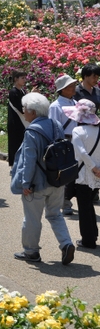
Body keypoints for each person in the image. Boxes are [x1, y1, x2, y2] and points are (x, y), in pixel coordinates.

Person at [10, 92, 75, 265]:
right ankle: (66, 243)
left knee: (32, 218)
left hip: (37, 183)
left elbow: (29, 160)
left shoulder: (32, 131)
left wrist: (25, 183)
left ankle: (31, 252)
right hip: (57, 180)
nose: (23, 112)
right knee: (55, 215)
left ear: (32, 111)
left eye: (24, 109)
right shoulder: (56, 124)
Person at [65, 99, 100, 249]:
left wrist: (93, 167)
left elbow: (82, 153)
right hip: (98, 174)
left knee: (84, 207)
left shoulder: (77, 131)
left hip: (84, 174)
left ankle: (88, 240)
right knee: (89, 204)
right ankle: (92, 234)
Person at [49, 74, 78, 215]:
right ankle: (64, 202)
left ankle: (67, 199)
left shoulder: (75, 103)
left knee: (74, 171)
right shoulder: (55, 106)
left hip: (76, 140)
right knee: (65, 171)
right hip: (64, 142)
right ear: (62, 89)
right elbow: (53, 127)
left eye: (73, 85)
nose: (74, 88)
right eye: (70, 86)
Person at [7, 70, 28, 166]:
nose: (24, 80)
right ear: (16, 79)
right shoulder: (13, 92)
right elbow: (20, 108)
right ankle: (14, 164)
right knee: (15, 144)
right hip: (15, 122)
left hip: (22, 122)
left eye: (25, 78)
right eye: (22, 78)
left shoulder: (23, 91)